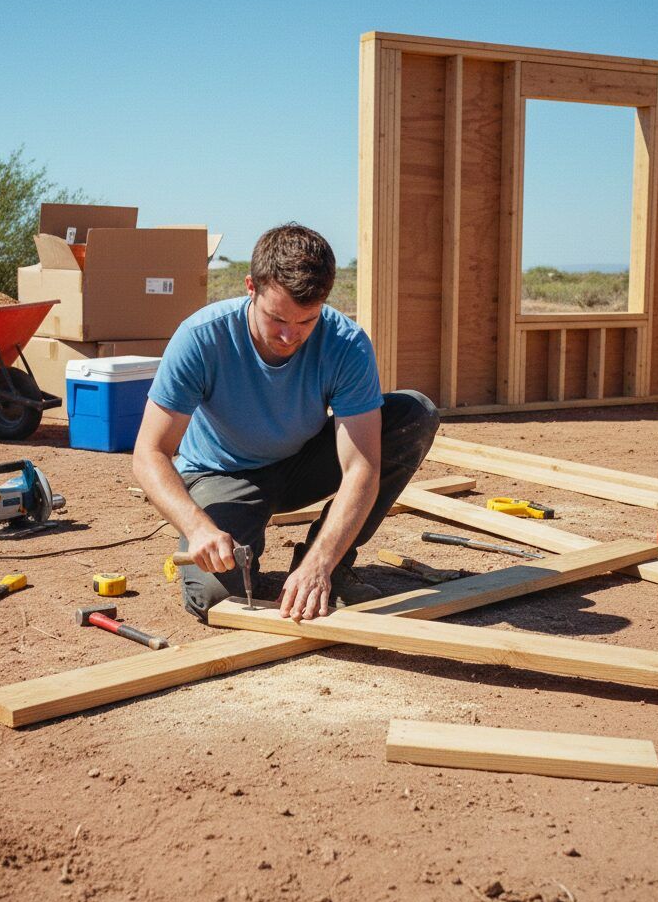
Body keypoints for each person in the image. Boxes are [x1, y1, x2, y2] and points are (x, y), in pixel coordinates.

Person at [132, 223, 441, 622]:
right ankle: (236, 543)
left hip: (300, 464)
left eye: (306, 322)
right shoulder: (201, 338)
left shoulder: (345, 343)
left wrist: (321, 562)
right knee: (214, 598)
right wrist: (199, 528)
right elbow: (149, 453)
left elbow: (361, 466)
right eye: (277, 318)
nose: (289, 336)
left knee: (413, 414)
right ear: (250, 287)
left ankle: (330, 562)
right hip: (222, 474)